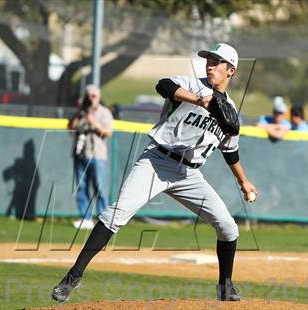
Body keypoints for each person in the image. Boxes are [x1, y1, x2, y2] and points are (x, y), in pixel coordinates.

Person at [52, 43, 258, 302]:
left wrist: (244, 181)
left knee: (228, 227)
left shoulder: (229, 112)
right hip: (157, 161)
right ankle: (73, 277)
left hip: (189, 175)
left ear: (231, 70)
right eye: (209, 59)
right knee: (115, 214)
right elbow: (163, 85)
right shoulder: (193, 86)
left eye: (217, 62)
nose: (210, 64)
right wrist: (198, 100)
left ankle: (225, 287)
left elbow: (230, 151)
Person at [69, 85, 113, 229]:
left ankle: (103, 219)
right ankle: (85, 218)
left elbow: (108, 132)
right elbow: (70, 128)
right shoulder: (81, 113)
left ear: (98, 97)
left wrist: (94, 122)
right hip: (81, 153)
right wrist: (79, 112)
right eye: (88, 95)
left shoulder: (104, 112)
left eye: (93, 96)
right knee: (81, 187)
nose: (90, 98)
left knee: (100, 187)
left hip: (97, 155)